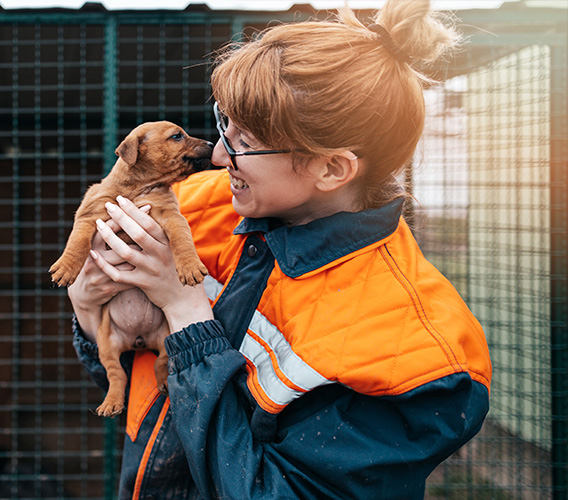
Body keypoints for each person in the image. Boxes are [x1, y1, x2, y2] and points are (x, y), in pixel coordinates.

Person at [68, 0, 492, 498]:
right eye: (223, 122)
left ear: (331, 168)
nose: (220, 153)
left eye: (244, 140)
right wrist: (85, 308)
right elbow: (151, 392)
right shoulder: (197, 208)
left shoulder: (418, 355)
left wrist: (186, 316)